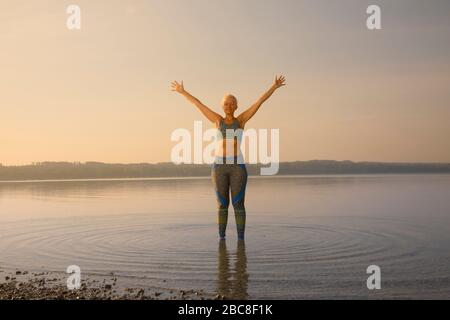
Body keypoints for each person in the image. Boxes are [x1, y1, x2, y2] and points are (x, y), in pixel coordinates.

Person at [171, 75, 286, 240]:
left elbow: (259, 101)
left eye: (232, 103)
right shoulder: (217, 121)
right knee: (222, 205)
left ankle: (241, 240)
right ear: (222, 106)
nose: (229, 105)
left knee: (238, 204)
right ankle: (222, 239)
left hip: (238, 167)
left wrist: (273, 87)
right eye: (226, 103)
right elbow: (198, 104)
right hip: (219, 167)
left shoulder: (241, 121)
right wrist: (182, 92)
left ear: (237, 106)